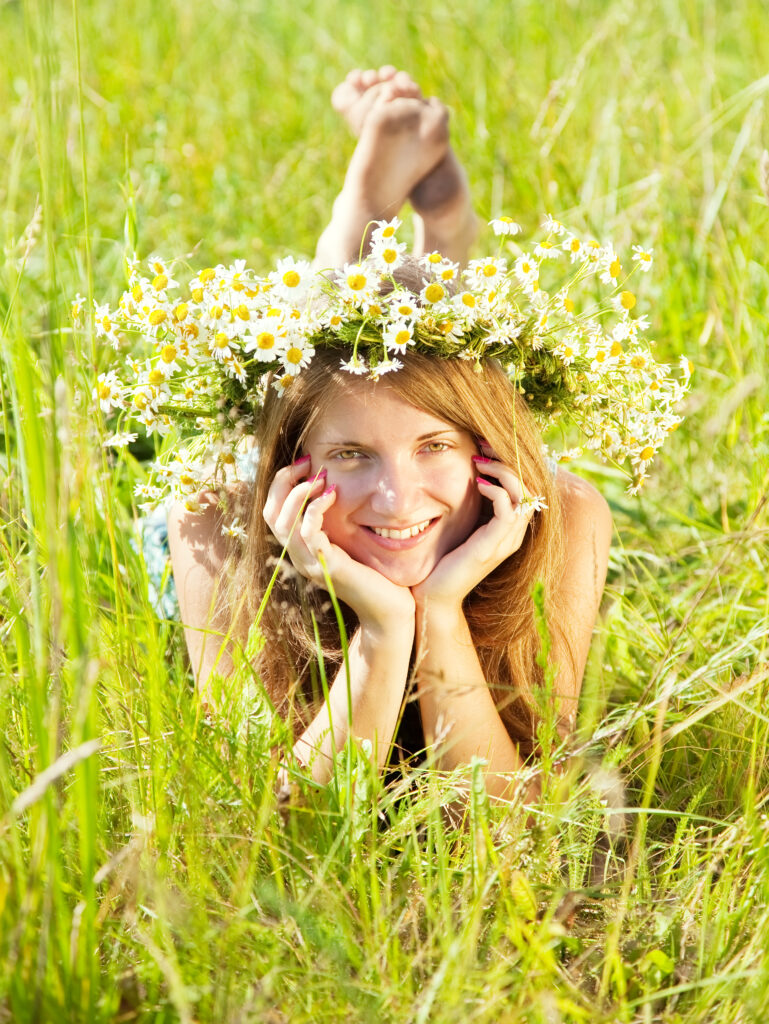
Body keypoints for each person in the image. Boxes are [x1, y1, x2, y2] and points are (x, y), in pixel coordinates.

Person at [166, 68, 613, 800]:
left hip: (436, 443)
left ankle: (397, 226)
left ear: (487, 453)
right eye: (348, 457)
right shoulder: (213, 524)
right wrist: (380, 626)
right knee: (324, 371)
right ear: (294, 467)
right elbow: (285, 837)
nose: (397, 498)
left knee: (410, 367)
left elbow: (506, 829)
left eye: (436, 448)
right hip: (278, 502)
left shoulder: (565, 517)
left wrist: (436, 610)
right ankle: (373, 218)